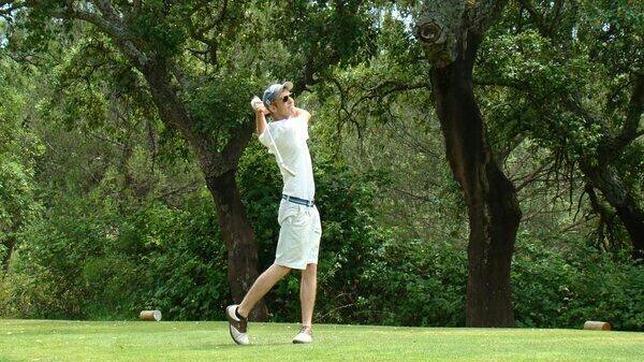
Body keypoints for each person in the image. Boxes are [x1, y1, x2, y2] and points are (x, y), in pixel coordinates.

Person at [226, 82, 322, 345]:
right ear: (273, 107)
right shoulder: (290, 129)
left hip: (309, 208)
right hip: (295, 209)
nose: (292, 101)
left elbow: (262, 133)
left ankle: (306, 328)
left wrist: (262, 113)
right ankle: (240, 312)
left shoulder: (276, 129)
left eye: (291, 97)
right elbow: (305, 114)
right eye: (285, 98)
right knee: (285, 265)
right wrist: (264, 112)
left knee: (310, 266)